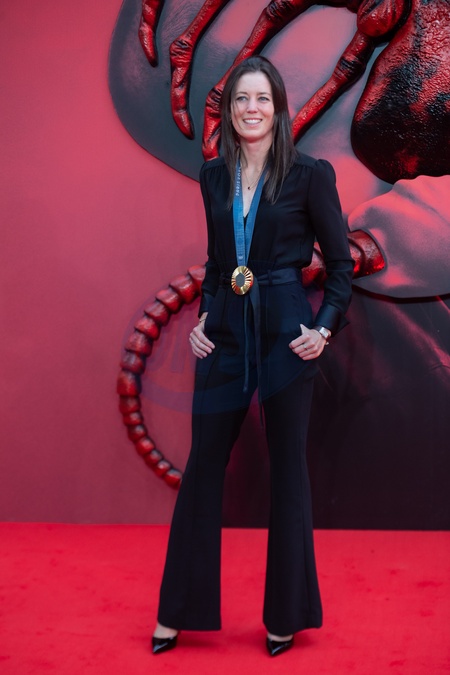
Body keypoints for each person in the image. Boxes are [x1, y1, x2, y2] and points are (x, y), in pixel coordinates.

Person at [152, 55, 354, 657]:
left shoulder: (310, 174)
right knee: (203, 465)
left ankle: (285, 616)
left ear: (279, 107)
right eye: (241, 98)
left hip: (287, 330)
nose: (251, 108)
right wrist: (204, 318)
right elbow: (219, 265)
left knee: (288, 468)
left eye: (262, 98)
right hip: (227, 333)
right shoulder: (213, 176)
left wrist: (323, 330)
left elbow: (340, 268)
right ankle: (177, 611)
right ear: (230, 109)